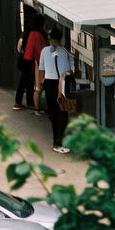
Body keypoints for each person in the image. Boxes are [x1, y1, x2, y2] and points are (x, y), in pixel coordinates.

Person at [38, 26, 75, 154]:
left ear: (50, 38)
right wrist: (60, 92)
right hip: (60, 85)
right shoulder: (65, 53)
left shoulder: (44, 51)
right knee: (63, 114)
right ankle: (59, 142)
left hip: (48, 83)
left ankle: (56, 140)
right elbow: (64, 74)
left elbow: (41, 70)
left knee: (53, 113)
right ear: (61, 38)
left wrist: (38, 86)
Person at [14, 13, 46, 110]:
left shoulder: (29, 32)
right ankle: (29, 102)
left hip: (25, 60)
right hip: (31, 62)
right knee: (29, 82)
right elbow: (40, 51)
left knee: (24, 82)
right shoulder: (38, 35)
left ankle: (19, 102)